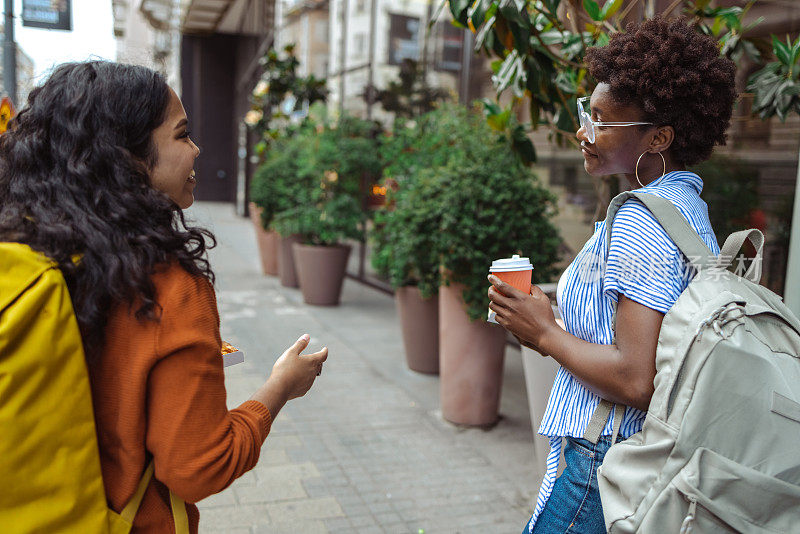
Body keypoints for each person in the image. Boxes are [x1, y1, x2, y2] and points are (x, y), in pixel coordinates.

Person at [0, 61, 328, 532]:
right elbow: (199, 467)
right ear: (128, 157)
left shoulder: (29, 248)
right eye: (181, 135)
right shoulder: (168, 287)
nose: (196, 150)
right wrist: (279, 388)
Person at [486, 18, 736, 533]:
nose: (583, 131)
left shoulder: (645, 219)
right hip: (620, 452)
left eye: (601, 120)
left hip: (598, 457)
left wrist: (544, 332)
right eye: (586, 113)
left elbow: (634, 377)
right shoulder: (685, 207)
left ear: (659, 136)